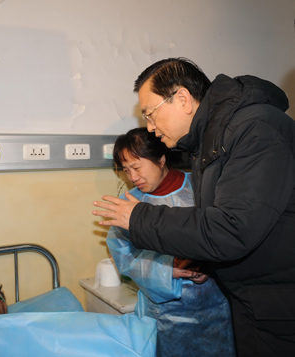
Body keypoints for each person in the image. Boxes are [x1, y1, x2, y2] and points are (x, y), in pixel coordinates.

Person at [92, 57, 295, 355]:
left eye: (150, 114)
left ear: (183, 99)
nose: (149, 128)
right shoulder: (208, 143)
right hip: (257, 302)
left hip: (279, 307)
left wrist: (139, 218)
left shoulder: (254, 128)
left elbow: (231, 229)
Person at [107, 127, 234, 356]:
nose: (132, 177)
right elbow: (122, 256)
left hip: (215, 312)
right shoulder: (129, 203)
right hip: (162, 318)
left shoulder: (202, 189)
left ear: (162, 158)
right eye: (126, 170)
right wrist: (167, 269)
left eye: (136, 167)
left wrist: (208, 267)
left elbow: (229, 237)